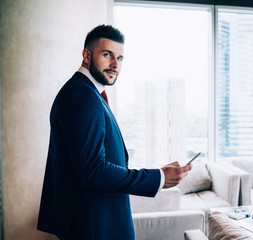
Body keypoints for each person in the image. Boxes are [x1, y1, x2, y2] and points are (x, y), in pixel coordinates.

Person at [37, 24, 192, 240]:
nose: (114, 64)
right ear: (86, 55)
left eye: (120, 58)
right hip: (96, 227)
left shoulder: (87, 93)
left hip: (96, 222)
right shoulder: (82, 97)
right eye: (107, 54)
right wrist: (158, 177)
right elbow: (93, 170)